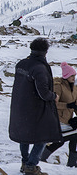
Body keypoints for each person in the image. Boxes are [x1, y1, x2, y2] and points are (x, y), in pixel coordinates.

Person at [9, 37, 62, 175]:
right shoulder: (39, 68)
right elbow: (43, 93)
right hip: (35, 109)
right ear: (45, 52)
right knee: (44, 135)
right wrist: (54, 96)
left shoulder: (22, 64)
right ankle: (31, 166)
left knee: (24, 136)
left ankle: (25, 162)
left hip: (20, 106)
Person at [40, 62, 77, 167]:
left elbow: (76, 105)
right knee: (68, 137)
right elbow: (52, 104)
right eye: (71, 76)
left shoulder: (75, 89)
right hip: (56, 119)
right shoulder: (58, 86)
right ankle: (72, 162)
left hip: (67, 119)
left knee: (65, 139)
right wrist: (67, 105)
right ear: (66, 76)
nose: (74, 78)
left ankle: (72, 162)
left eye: (74, 75)